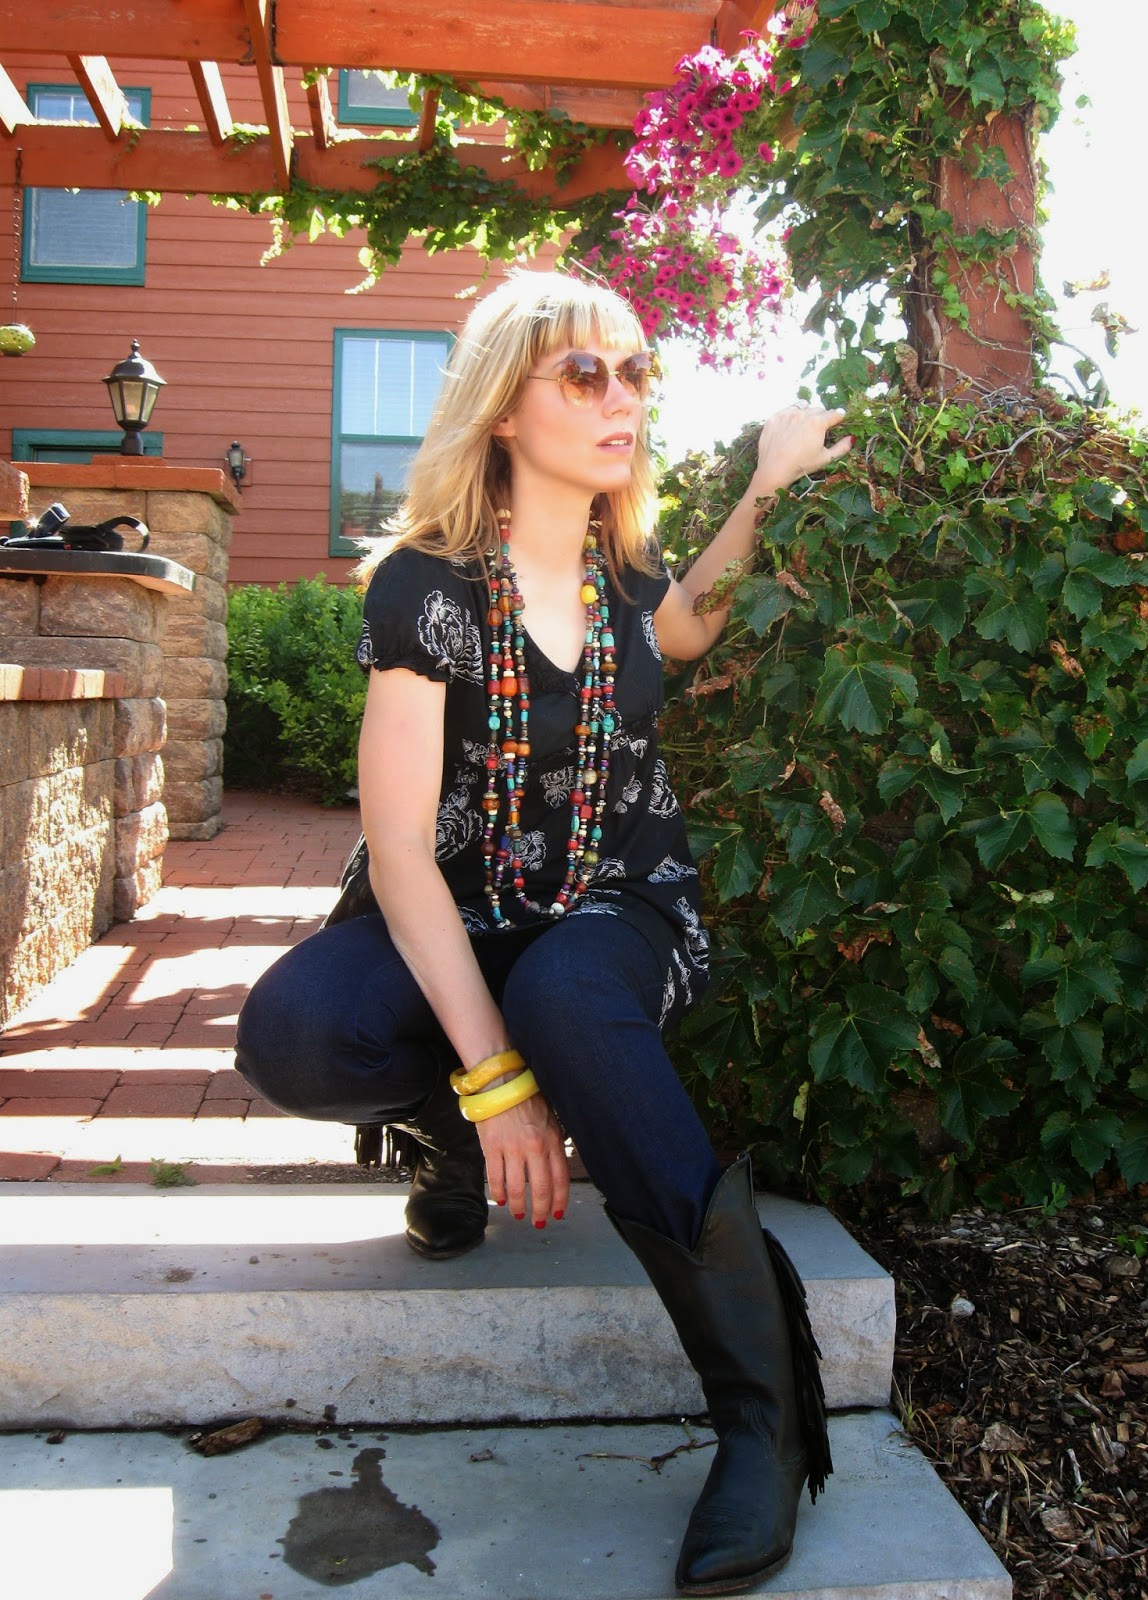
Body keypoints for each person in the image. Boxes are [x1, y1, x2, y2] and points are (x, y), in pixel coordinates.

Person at [235, 270, 851, 1596]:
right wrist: (497, 1088)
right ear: (503, 409)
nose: (622, 396)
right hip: (456, 906)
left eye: (635, 370)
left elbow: (689, 625)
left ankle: (763, 1414)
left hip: (617, 905)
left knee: (569, 992)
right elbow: (401, 849)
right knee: (296, 1031)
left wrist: (768, 479)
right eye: (584, 373)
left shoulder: (624, 572)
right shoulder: (423, 590)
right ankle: (452, 1136)